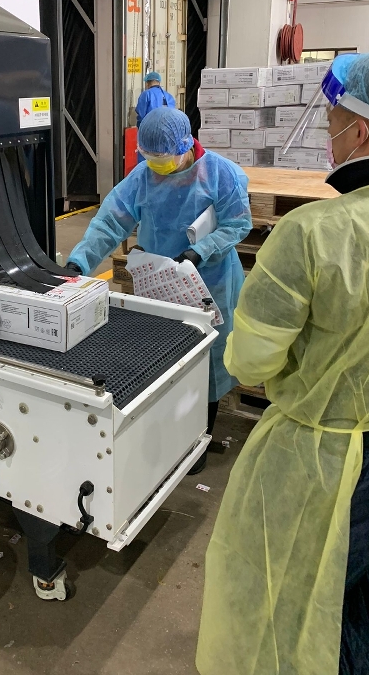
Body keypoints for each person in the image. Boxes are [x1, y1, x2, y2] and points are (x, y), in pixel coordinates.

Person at [196, 50, 369, 675]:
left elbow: (250, 361)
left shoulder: (315, 232)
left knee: (290, 604)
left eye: (331, 124)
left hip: (329, 465)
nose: (330, 137)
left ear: (361, 131)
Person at [67, 107, 252, 472]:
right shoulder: (144, 177)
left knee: (207, 359)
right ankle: (168, 431)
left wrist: (200, 250)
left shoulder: (220, 174)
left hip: (210, 281)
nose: (158, 167)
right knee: (161, 354)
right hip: (159, 280)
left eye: (163, 160)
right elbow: (110, 221)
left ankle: (199, 438)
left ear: (186, 145)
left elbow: (237, 224)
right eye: (150, 159)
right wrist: (79, 263)